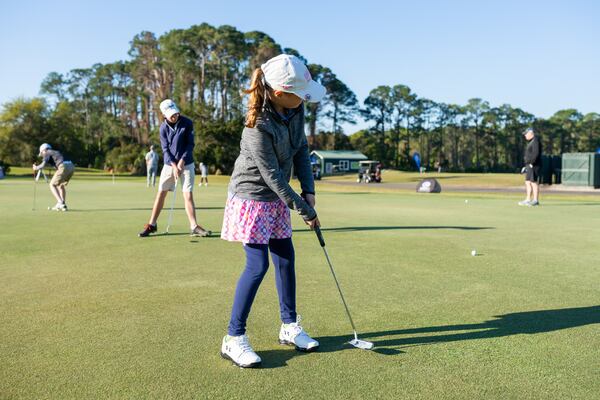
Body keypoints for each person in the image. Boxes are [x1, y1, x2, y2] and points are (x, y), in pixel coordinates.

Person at [220, 54, 326, 368]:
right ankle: (233, 337)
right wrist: (304, 209)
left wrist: (309, 189)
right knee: (257, 265)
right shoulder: (257, 124)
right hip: (251, 198)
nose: (305, 98)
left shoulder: (295, 109)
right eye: (301, 93)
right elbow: (272, 176)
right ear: (280, 93)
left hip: (278, 199)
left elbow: (301, 149)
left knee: (285, 258)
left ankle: (289, 326)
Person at [138, 99, 212, 237]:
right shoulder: (163, 128)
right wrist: (173, 165)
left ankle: (194, 226)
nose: (175, 116)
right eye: (171, 114)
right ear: (164, 115)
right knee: (161, 193)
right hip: (168, 164)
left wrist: (182, 161)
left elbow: (190, 145)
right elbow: (165, 149)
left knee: (187, 194)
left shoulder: (187, 123)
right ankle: (152, 224)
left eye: (176, 113)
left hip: (187, 163)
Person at [33, 143, 75, 211]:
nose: (42, 155)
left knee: (52, 184)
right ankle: (63, 205)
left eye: (41, 153)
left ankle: (60, 202)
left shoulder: (47, 152)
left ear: (44, 150)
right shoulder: (55, 152)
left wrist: (36, 167)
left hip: (63, 166)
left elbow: (43, 165)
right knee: (60, 185)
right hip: (71, 166)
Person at [519, 128, 542, 206]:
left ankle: (535, 200)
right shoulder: (531, 142)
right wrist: (526, 166)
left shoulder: (535, 141)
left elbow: (536, 153)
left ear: (530, 133)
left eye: (526, 134)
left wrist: (532, 163)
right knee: (528, 182)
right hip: (529, 165)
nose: (525, 135)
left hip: (534, 165)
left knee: (533, 182)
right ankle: (528, 199)